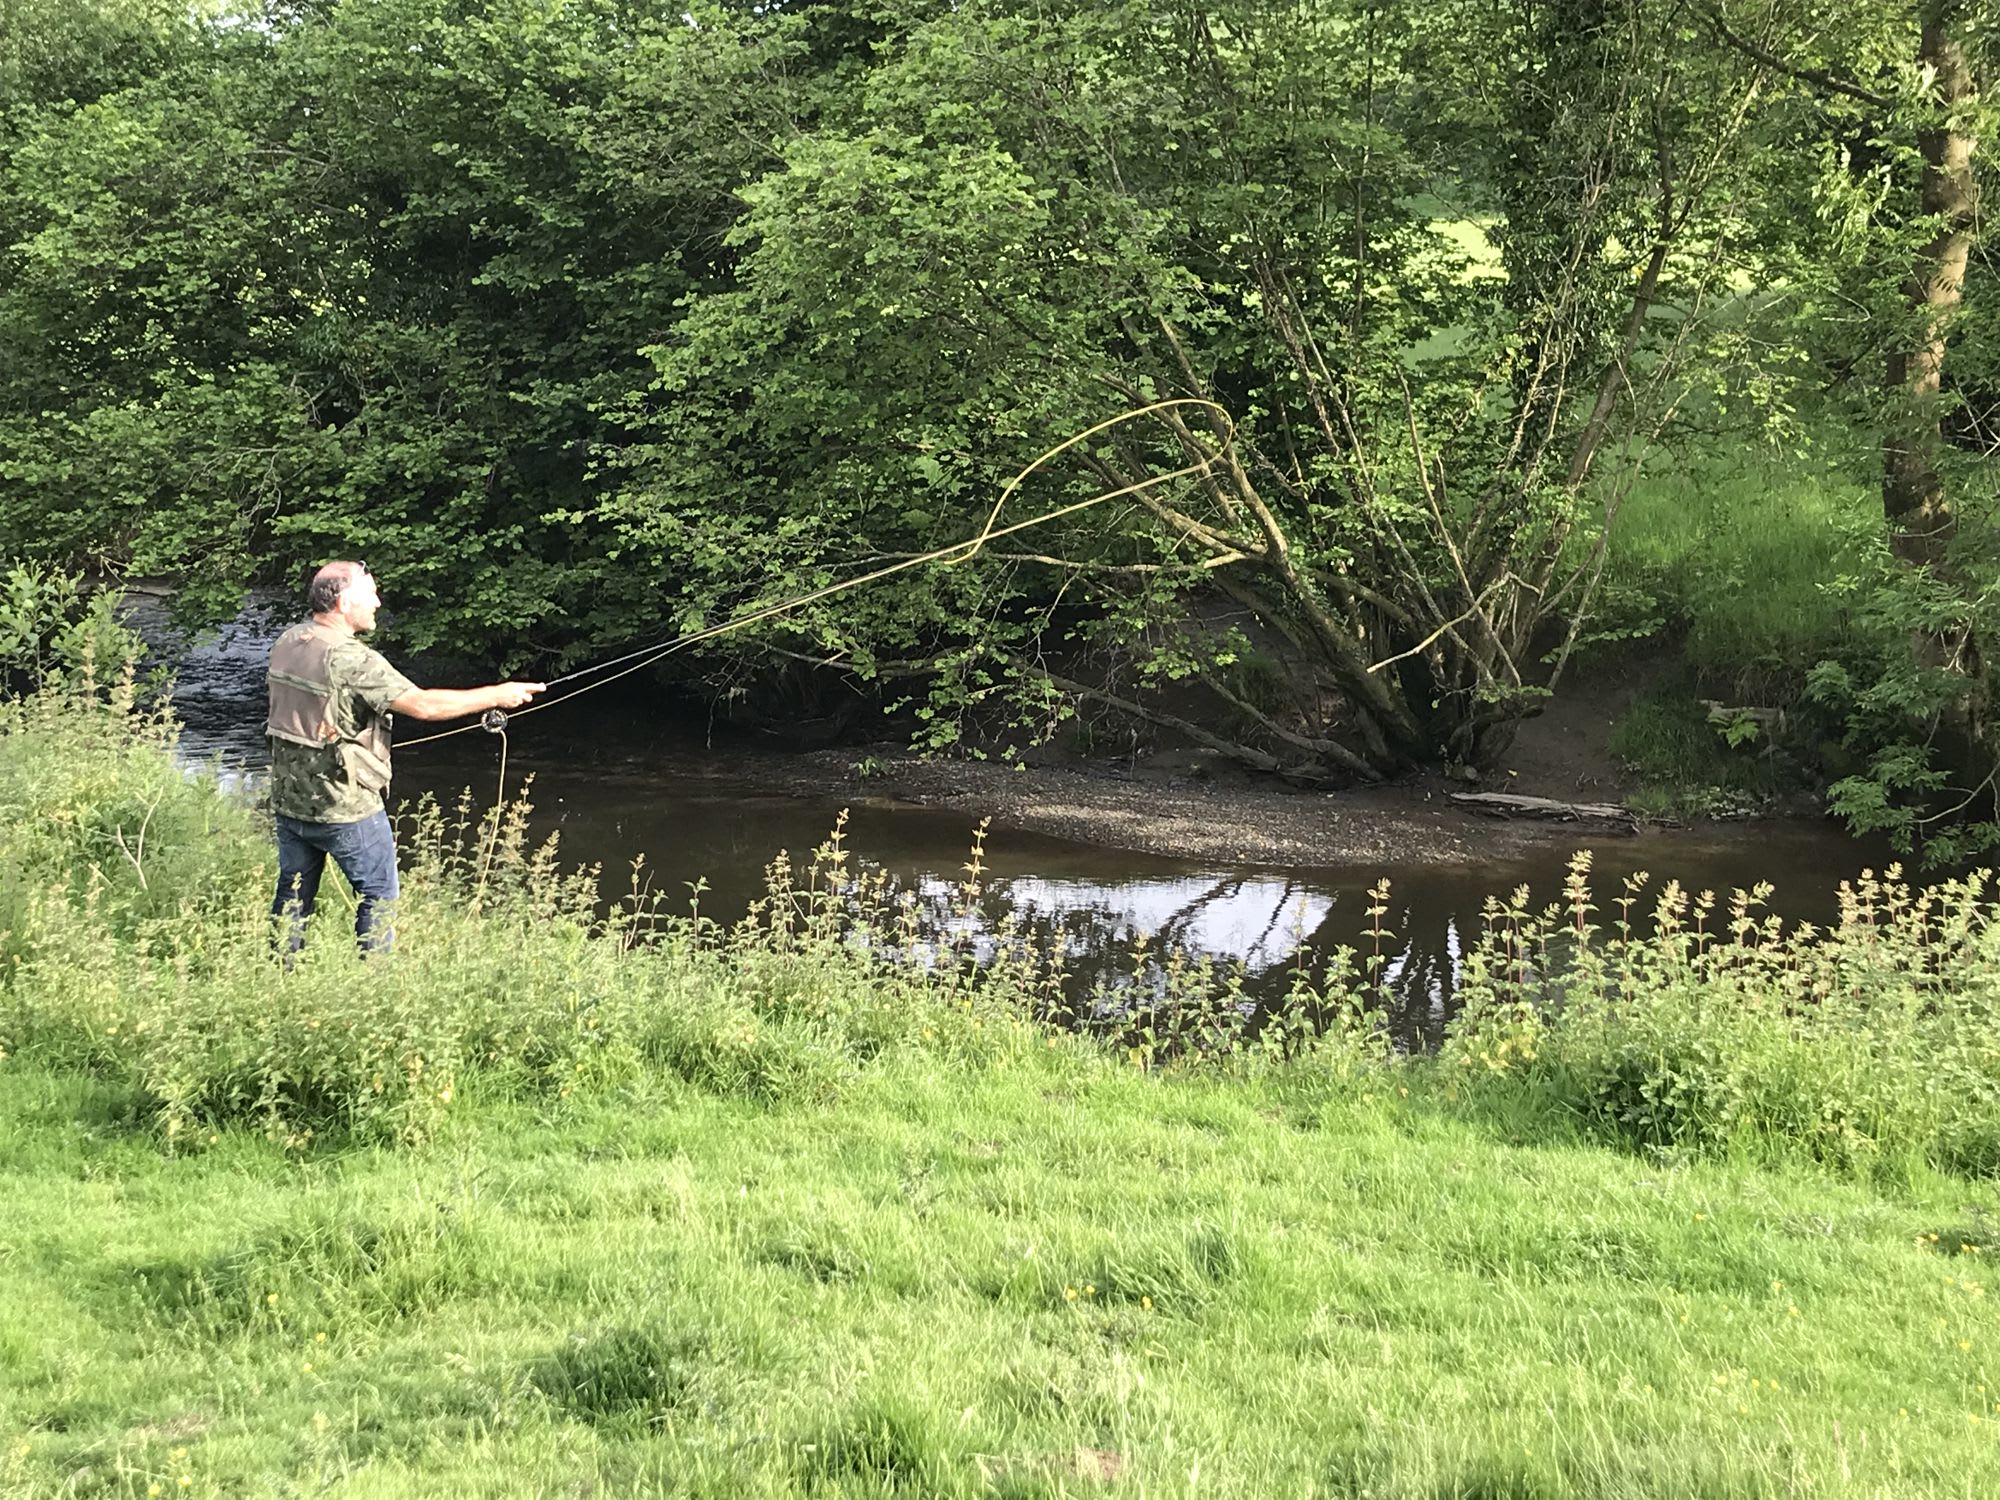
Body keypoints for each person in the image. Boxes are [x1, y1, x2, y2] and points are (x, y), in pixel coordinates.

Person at [267, 560, 544, 952]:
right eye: (370, 594)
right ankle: (376, 982)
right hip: (344, 804)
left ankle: (280, 969)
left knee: (293, 895)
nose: (378, 602)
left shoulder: (290, 640)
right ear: (345, 602)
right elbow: (424, 706)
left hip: (289, 798)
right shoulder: (352, 659)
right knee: (379, 895)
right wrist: (497, 695)